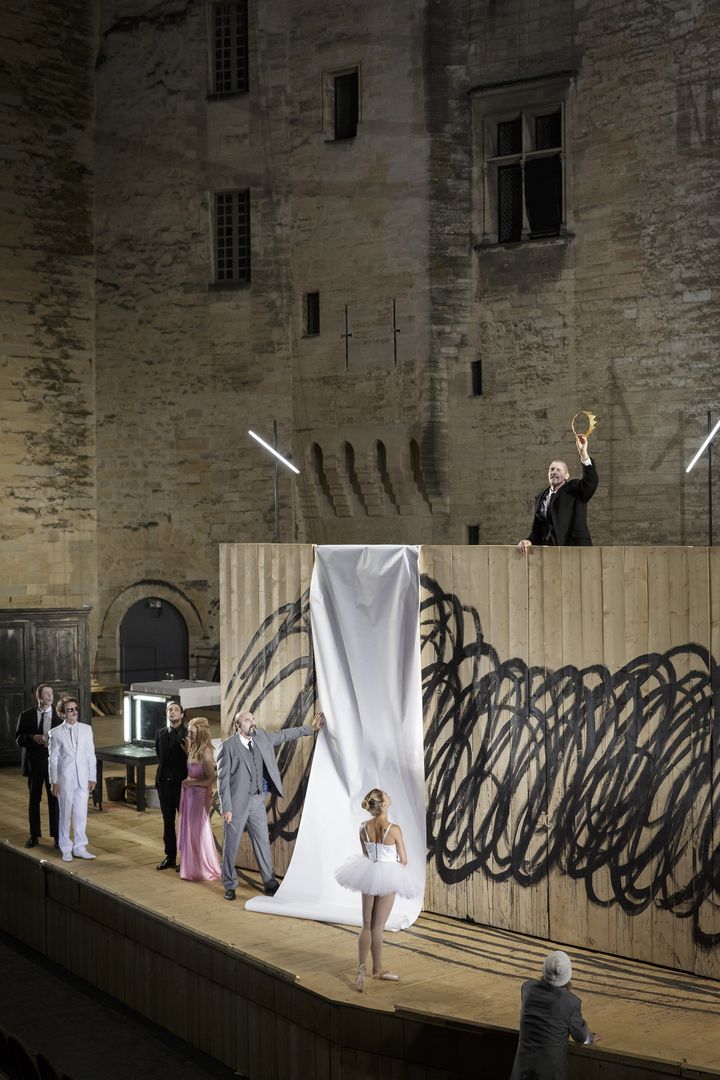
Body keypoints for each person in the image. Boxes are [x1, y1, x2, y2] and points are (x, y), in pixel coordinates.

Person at [218, 707, 325, 901]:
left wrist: (311, 729)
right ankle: (229, 884)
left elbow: (284, 735)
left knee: (263, 842)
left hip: (257, 801)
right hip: (236, 805)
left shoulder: (261, 737)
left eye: (252, 718)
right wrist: (226, 807)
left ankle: (269, 882)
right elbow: (222, 780)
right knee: (231, 846)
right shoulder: (228, 747)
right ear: (237, 725)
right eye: (247, 720)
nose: (252, 722)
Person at [334, 788, 422, 992]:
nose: (390, 796)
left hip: (368, 872)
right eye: (386, 795)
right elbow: (405, 859)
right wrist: (394, 864)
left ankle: (362, 967)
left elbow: (366, 853)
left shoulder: (363, 827)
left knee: (366, 924)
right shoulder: (394, 829)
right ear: (383, 804)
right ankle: (378, 968)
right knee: (378, 927)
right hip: (387, 875)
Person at [509, 950, 599, 1080]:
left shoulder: (527, 988)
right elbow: (581, 1037)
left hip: (521, 1073)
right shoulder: (571, 1003)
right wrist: (590, 1038)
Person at [517, 434, 598, 552]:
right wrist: (529, 540)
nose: (554, 472)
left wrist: (583, 454)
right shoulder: (541, 496)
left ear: (566, 476)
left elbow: (590, 482)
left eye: (559, 470)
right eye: (552, 469)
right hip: (549, 553)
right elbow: (540, 527)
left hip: (574, 551)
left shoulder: (574, 489)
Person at [48, 697, 97, 862]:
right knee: (65, 814)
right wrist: (54, 781)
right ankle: (66, 848)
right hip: (65, 780)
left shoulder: (86, 729)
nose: (74, 712)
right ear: (62, 714)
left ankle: (80, 847)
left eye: (75, 708)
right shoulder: (55, 733)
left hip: (82, 779)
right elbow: (53, 759)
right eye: (70, 709)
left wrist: (92, 776)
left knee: (81, 814)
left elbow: (91, 755)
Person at [15, 683, 61, 849]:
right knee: (34, 801)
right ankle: (34, 835)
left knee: (54, 801)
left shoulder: (59, 714)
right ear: (39, 697)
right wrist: (33, 737)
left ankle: (57, 836)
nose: (50, 696)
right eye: (47, 693)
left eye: (51, 693)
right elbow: (19, 739)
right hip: (34, 765)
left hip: (53, 765)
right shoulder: (26, 715)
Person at [177, 716, 221, 882]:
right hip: (190, 794)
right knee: (191, 829)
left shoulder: (206, 753)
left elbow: (211, 779)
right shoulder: (193, 747)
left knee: (198, 830)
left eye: (191, 732)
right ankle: (191, 865)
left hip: (199, 795)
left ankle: (203, 866)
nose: (188, 734)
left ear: (200, 732)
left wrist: (192, 782)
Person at [154, 699, 188, 871]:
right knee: (168, 822)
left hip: (182, 785)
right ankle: (170, 856)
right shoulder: (160, 733)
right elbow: (159, 755)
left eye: (176, 710)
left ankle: (186, 857)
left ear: (182, 714)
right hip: (164, 784)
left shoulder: (188, 733)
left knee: (184, 822)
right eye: (170, 710)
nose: (172, 712)